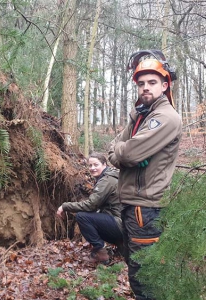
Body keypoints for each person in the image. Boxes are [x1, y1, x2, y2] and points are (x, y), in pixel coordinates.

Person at [108, 50, 182, 300]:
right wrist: (122, 149)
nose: (145, 88)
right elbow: (117, 149)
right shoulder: (142, 114)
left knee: (145, 279)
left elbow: (126, 154)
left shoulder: (166, 117)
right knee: (136, 271)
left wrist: (122, 151)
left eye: (152, 83)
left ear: (164, 85)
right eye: (141, 84)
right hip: (132, 206)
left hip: (146, 209)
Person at [57, 153, 123, 264]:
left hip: (119, 223)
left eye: (96, 165)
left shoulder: (107, 180)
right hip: (123, 223)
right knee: (91, 216)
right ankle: (119, 245)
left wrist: (65, 206)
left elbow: (91, 205)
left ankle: (101, 251)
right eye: (90, 165)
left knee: (82, 217)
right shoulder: (109, 177)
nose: (92, 168)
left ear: (104, 164)